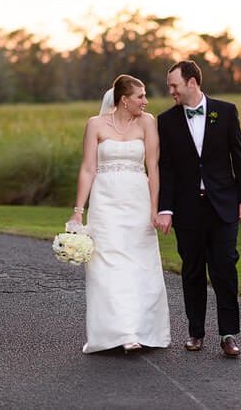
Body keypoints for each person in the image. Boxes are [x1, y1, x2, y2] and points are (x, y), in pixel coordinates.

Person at [154, 60, 241, 358]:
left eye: (174, 85)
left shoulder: (225, 111)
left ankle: (228, 334)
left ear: (192, 83)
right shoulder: (166, 120)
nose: (170, 91)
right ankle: (195, 332)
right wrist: (166, 209)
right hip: (187, 210)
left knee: (225, 268)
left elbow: (239, 157)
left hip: (223, 206)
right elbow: (167, 169)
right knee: (193, 271)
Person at [69, 74, 171, 354]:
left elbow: (154, 168)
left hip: (137, 202)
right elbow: (88, 168)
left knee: (140, 264)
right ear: (124, 100)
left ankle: (143, 329)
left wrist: (155, 209)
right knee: (108, 266)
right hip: (105, 203)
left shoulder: (147, 123)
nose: (145, 101)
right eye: (140, 96)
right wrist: (78, 212)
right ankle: (120, 332)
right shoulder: (95, 125)